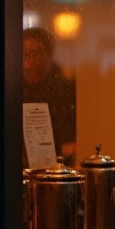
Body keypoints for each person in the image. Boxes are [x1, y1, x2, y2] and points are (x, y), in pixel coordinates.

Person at [23, 26, 77, 165]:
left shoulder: (65, 90)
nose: (29, 63)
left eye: (36, 54)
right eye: (25, 54)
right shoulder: (11, 91)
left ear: (48, 55)